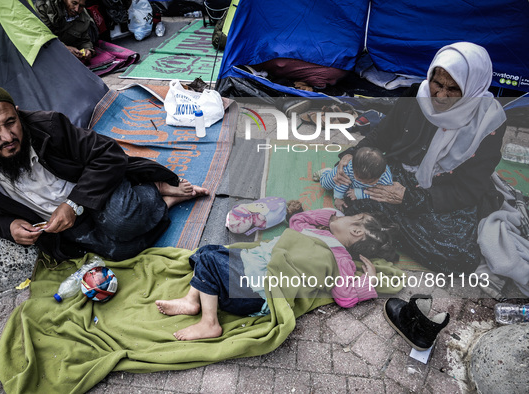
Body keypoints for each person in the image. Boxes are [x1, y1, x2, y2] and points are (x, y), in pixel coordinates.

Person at [0, 84, 209, 262]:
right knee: (119, 252)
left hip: (94, 189)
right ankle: (164, 201)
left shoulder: (49, 125)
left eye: (11, 122)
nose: (7, 136)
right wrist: (8, 226)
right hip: (57, 222)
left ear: (18, 114)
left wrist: (74, 204)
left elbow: (109, 154)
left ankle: (153, 188)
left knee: (123, 222)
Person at [335, 42, 507, 274]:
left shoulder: (488, 124)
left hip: (442, 190)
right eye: (437, 83)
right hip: (401, 174)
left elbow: (468, 189)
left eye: (454, 89)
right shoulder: (417, 95)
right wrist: (350, 155)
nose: (441, 95)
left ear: (473, 88)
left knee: (459, 258)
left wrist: (411, 199)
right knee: (350, 188)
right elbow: (381, 136)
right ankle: (383, 222)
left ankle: (382, 225)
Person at [156, 207, 399, 340]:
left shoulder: (341, 259)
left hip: (256, 290)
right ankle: (192, 301)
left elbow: (345, 296)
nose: (340, 215)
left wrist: (368, 282)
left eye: (351, 217)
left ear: (356, 231)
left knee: (208, 260)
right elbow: (297, 221)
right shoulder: (320, 233)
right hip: (249, 271)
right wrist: (330, 216)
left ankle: (209, 322)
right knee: (209, 251)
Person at [313, 147, 393, 211]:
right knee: (326, 185)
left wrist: (359, 193)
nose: (364, 182)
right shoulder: (348, 167)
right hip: (344, 181)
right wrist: (338, 198)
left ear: (383, 172)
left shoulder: (385, 179)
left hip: (355, 187)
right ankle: (325, 172)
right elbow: (341, 182)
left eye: (370, 181)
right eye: (359, 179)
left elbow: (379, 194)